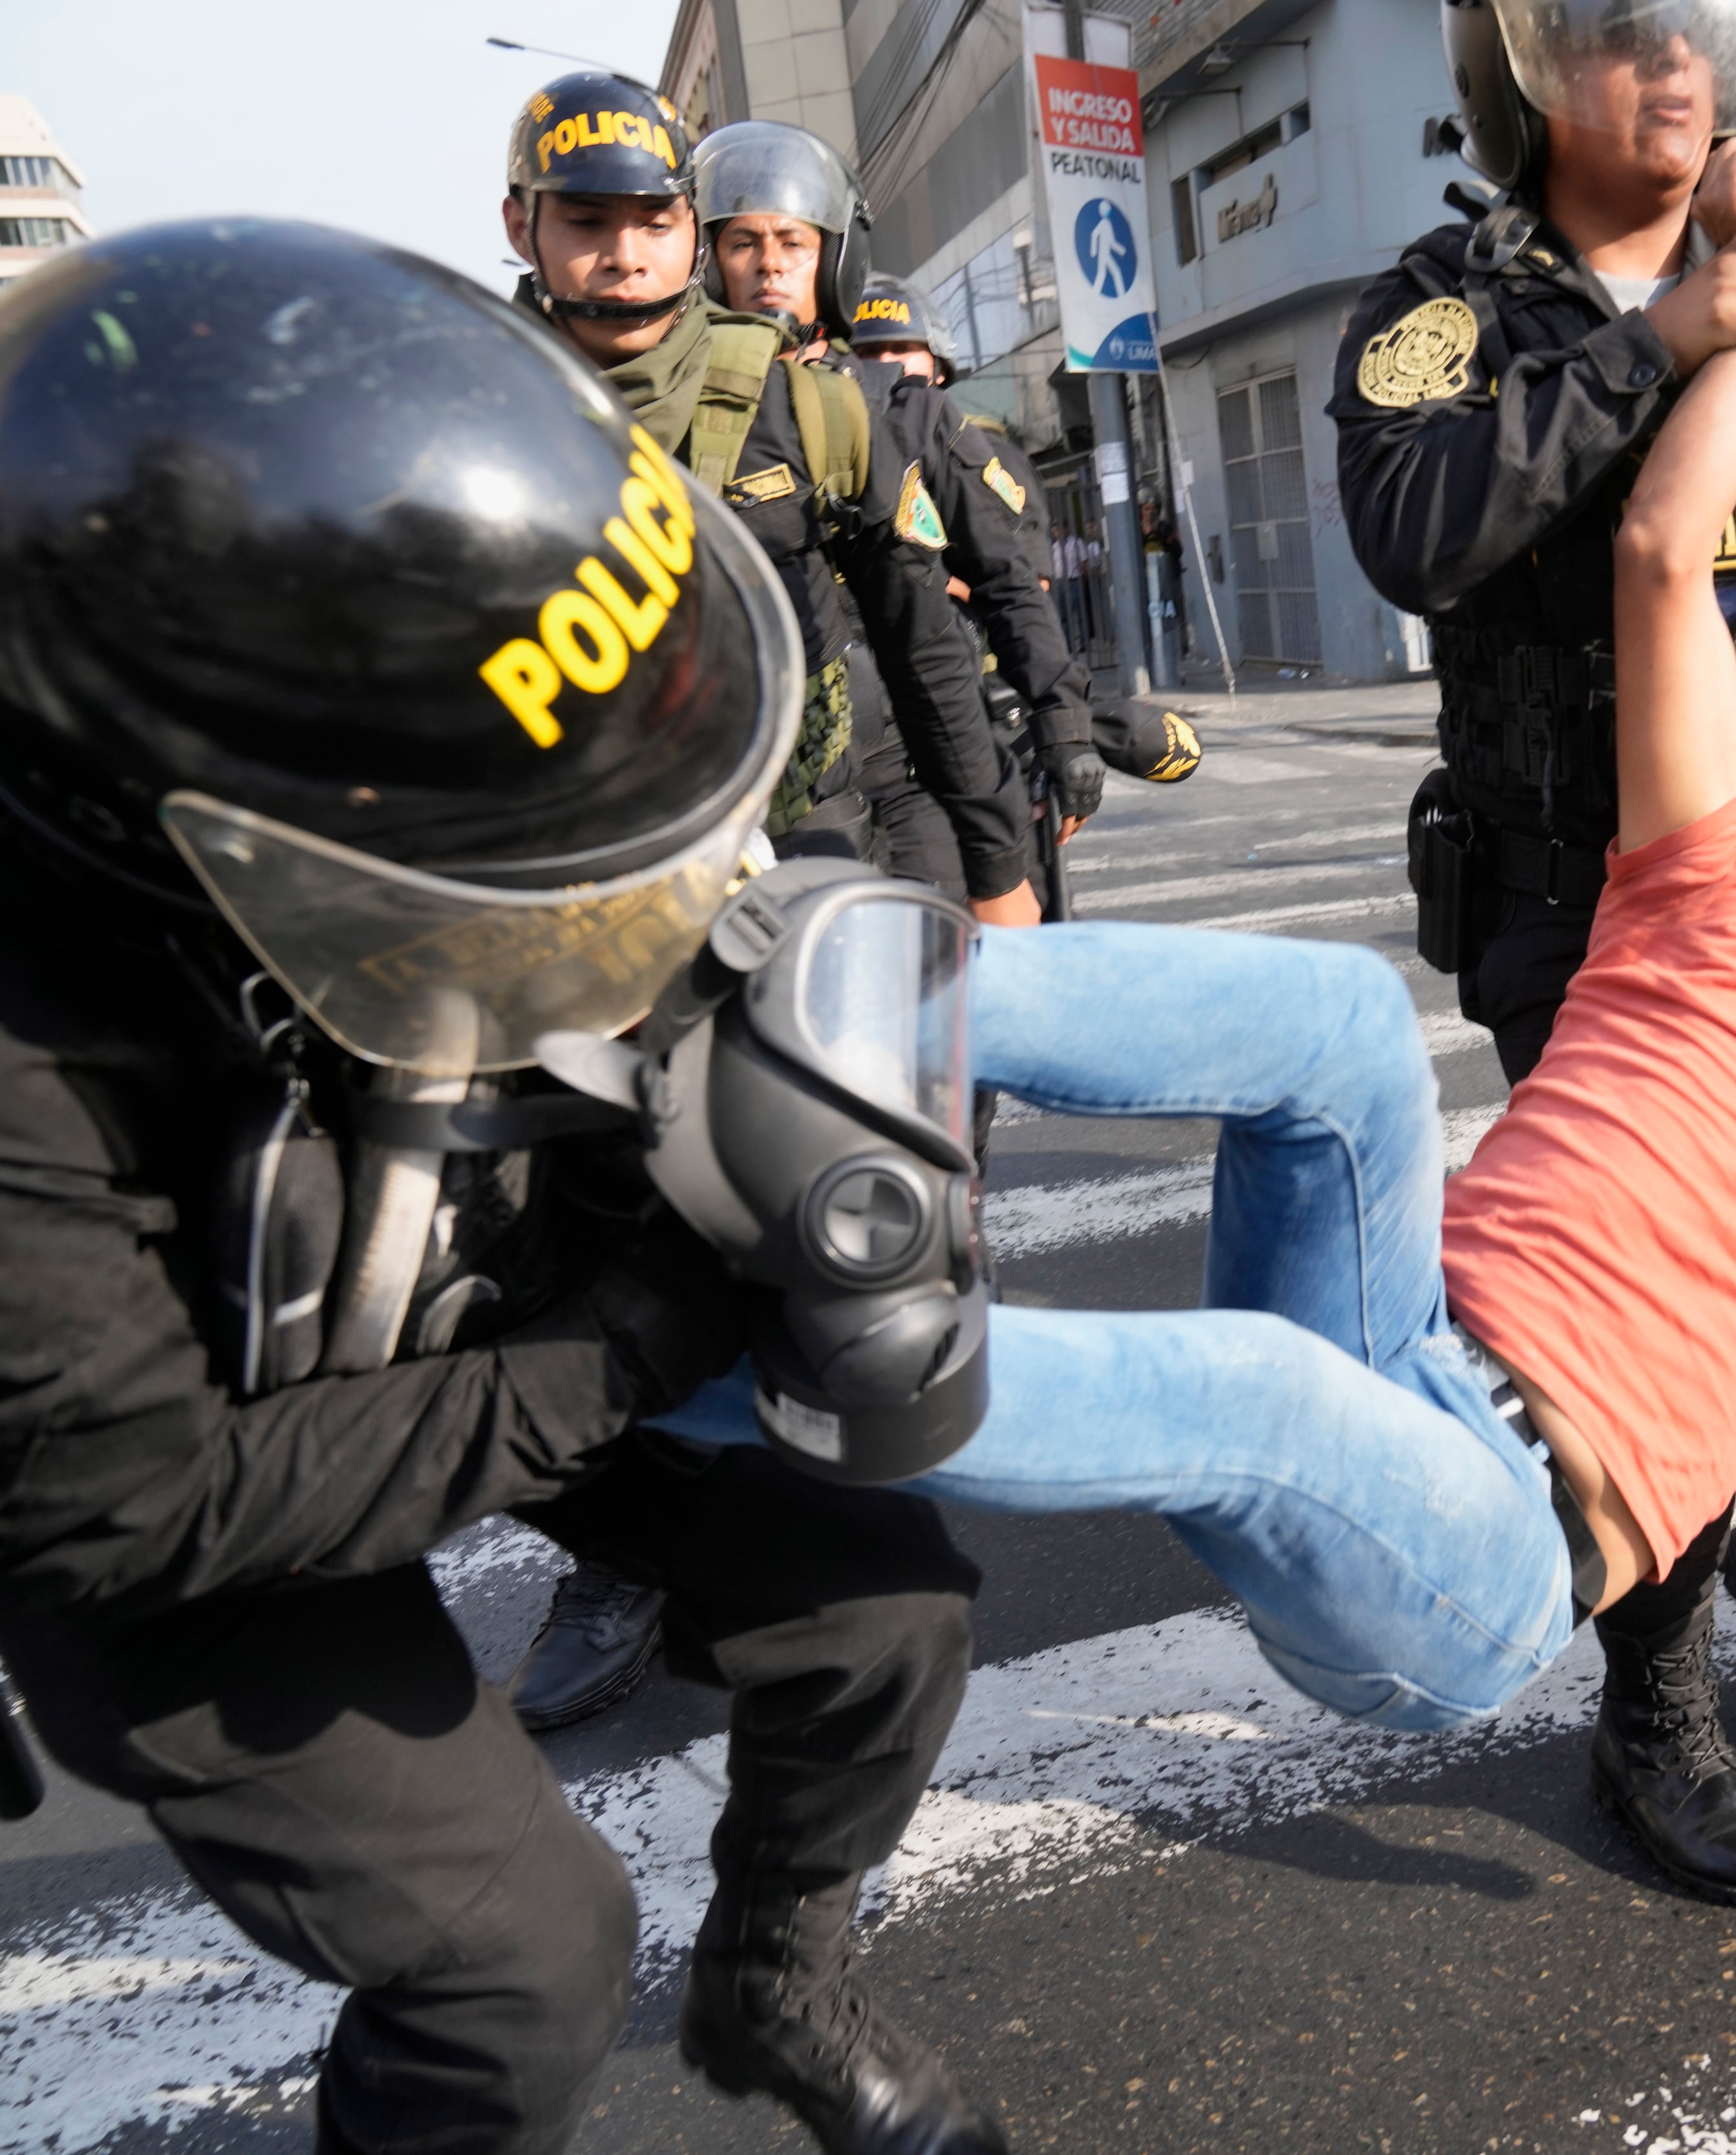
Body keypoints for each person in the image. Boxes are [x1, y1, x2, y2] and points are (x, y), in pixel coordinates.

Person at [656, 328, 1736, 1764]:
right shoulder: (1724, 898)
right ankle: (798, 1005)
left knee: (1259, 1399)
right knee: (1340, 1023)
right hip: (1397, 1342)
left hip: (1483, 1547)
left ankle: (655, 1361)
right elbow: (1661, 557)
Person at [0, 220, 1002, 2155]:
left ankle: (775, 1986)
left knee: (889, 1604)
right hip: (180, 1470)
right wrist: (630, 1347)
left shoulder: (424, 663)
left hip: (453, 1264)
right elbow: (132, 1504)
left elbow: (678, 898)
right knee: (518, 1960)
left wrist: (808, 1135)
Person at [1330, 0, 1736, 1907]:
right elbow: (1416, 528)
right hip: (1591, 902)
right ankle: (1655, 1712)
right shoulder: (1446, 300)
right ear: (1528, 73)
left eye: (1698, 29)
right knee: (1670, 1315)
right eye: (1621, 31)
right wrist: (1660, 343)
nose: (1674, 69)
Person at [498, 91, 1036, 1734]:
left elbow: (929, 644)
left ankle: (838, 1537)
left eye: (651, 215)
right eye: (584, 218)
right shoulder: (467, 402)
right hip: (570, 905)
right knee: (583, 1243)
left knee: (833, 1223)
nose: (625, 248)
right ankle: (624, 1554)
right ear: (523, 226)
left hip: (799, 876)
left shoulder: (810, 405)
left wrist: (1000, 866)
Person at [839, 270, 1205, 893]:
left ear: (940, 367)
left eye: (900, 351)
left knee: (1007, 931)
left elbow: (1018, 593)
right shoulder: (832, 451)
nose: (885, 368)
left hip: (978, 728)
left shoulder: (982, 455)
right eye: (868, 354)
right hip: (859, 743)